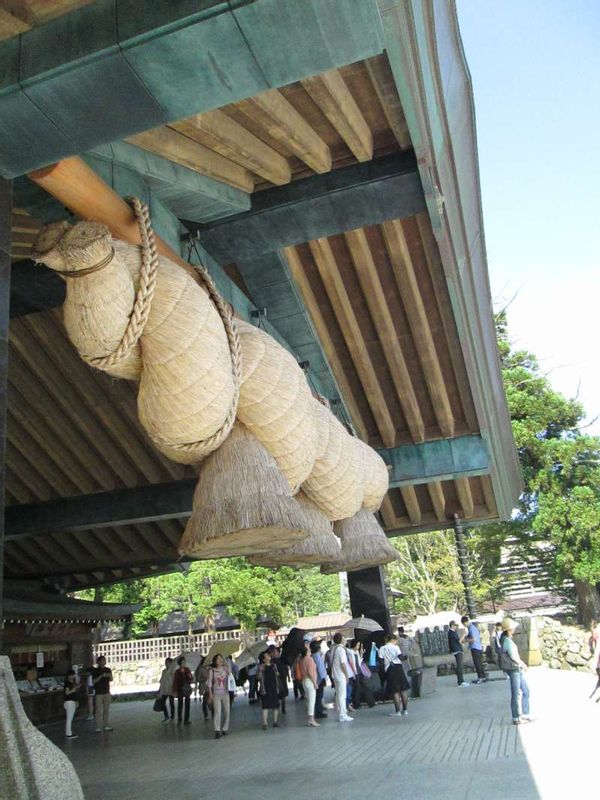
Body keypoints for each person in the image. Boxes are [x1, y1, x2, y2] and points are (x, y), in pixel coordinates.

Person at [499, 618, 532, 725]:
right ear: (508, 629)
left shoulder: (507, 639)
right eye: (512, 627)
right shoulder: (507, 641)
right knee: (516, 693)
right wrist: (523, 664)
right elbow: (513, 656)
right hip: (514, 669)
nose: (514, 628)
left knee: (525, 691)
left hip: (516, 669)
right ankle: (516, 717)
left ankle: (525, 713)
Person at [378, 633, 410, 716]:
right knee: (403, 690)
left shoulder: (381, 649)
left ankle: (397, 711)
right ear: (393, 640)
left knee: (395, 691)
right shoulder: (396, 647)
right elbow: (401, 658)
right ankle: (405, 710)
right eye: (396, 640)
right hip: (398, 668)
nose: (396, 642)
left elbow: (381, 662)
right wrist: (406, 656)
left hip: (389, 669)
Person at [331, 632, 353, 722]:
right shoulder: (341, 650)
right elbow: (343, 663)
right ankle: (343, 714)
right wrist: (346, 675)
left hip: (335, 674)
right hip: (341, 675)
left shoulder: (334, 648)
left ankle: (340, 712)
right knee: (342, 695)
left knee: (338, 694)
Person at [207, 653, 231, 739]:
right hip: (216, 693)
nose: (220, 660)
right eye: (218, 659)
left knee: (227, 711)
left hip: (225, 692)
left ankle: (225, 728)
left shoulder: (225, 669)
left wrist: (225, 663)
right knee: (217, 711)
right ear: (214, 661)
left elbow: (230, 674)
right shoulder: (211, 671)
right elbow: (209, 683)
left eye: (221, 659)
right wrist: (210, 694)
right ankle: (217, 730)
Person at [257, 650, 280, 730]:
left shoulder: (274, 665)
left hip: (274, 687)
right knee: (265, 706)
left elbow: (277, 674)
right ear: (264, 659)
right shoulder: (261, 667)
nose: (268, 656)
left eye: (268, 654)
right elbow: (259, 678)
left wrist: (277, 674)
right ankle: (265, 723)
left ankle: (275, 721)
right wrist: (260, 670)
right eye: (266, 655)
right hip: (265, 688)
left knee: (275, 705)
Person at [461, 615, 487, 683]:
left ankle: (480, 677)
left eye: (464, 624)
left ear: (465, 622)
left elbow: (473, 639)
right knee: (479, 663)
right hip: (479, 647)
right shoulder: (473, 627)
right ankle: (483, 676)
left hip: (475, 647)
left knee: (477, 663)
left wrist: (466, 640)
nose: (464, 626)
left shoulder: (471, 628)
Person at [299, 643, 320, 727]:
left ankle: (310, 718)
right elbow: (311, 672)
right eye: (308, 649)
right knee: (312, 701)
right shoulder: (309, 659)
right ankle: (311, 719)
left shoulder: (302, 660)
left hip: (304, 680)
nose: (310, 650)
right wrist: (315, 683)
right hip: (310, 681)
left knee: (308, 700)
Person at [91, 655, 113, 732]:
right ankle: (98, 726)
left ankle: (106, 725)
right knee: (98, 710)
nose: (104, 661)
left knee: (106, 709)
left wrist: (108, 675)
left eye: (105, 660)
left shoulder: (108, 669)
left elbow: (111, 679)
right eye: (103, 660)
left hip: (107, 691)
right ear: (99, 662)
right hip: (98, 693)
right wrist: (101, 676)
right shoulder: (95, 671)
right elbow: (93, 681)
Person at [173, 655, 193, 726]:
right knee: (180, 704)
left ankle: (186, 719)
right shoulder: (177, 672)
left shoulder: (187, 669)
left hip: (187, 689)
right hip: (180, 689)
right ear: (180, 663)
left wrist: (190, 676)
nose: (184, 663)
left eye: (185, 662)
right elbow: (175, 682)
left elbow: (191, 679)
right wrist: (175, 691)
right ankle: (179, 719)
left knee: (187, 704)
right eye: (183, 662)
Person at [448, 621, 469, 687]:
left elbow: (458, 641)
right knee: (460, 666)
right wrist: (464, 635)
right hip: (457, 651)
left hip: (457, 650)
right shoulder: (451, 633)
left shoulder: (453, 632)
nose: (456, 627)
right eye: (455, 625)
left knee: (460, 666)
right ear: (452, 626)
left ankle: (461, 681)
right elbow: (459, 640)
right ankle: (461, 681)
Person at [310, 639, 328, 719]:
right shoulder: (317, 656)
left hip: (316, 679)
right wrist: (323, 678)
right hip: (319, 679)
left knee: (318, 696)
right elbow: (320, 668)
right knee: (319, 696)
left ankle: (319, 709)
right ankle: (318, 712)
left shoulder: (313, 656)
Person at [271, 646, 290, 715]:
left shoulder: (282, 660)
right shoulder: (272, 661)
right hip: (275, 680)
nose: (273, 653)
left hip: (282, 679)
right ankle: (277, 707)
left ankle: (283, 708)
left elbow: (286, 668)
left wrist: (288, 676)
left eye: (275, 652)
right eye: (273, 652)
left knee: (283, 694)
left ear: (278, 653)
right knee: (277, 694)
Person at [64, 669, 80, 739]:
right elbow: (67, 692)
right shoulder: (68, 683)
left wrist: (76, 701)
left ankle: (69, 732)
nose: (72, 676)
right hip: (69, 701)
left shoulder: (72, 683)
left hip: (72, 701)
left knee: (70, 718)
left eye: (73, 675)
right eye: (71, 675)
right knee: (69, 718)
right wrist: (73, 689)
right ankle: (69, 734)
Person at [158, 657, 176, 722]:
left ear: (171, 663)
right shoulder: (164, 671)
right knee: (163, 703)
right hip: (164, 689)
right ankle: (166, 716)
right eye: (166, 662)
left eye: (168, 662)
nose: (166, 664)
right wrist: (160, 690)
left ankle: (172, 716)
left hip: (170, 688)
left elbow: (175, 680)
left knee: (171, 703)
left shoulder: (173, 671)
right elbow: (162, 681)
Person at [195, 656, 210, 721]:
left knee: (211, 701)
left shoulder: (210, 668)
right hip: (204, 687)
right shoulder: (200, 669)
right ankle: (205, 715)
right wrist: (203, 679)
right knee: (205, 701)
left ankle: (212, 711)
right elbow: (198, 679)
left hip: (210, 686)